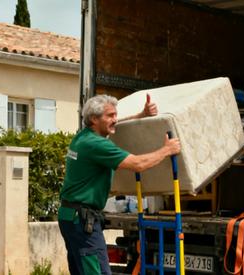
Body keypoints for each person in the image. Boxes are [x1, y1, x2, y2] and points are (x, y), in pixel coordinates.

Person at [59, 94, 182, 275]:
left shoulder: (83, 136)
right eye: (110, 116)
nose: (115, 120)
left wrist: (141, 115)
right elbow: (137, 164)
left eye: (115, 115)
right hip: (83, 220)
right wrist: (166, 150)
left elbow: (116, 123)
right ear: (94, 119)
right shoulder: (96, 145)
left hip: (70, 216)